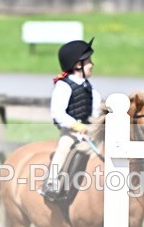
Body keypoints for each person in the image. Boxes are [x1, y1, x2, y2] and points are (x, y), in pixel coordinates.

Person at [39, 38, 102, 202]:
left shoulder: (91, 89)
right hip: (71, 131)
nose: (92, 64)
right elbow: (58, 113)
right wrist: (76, 126)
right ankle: (51, 183)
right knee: (63, 148)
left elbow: (95, 112)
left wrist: (96, 125)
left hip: (90, 132)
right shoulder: (63, 86)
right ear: (77, 65)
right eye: (88, 61)